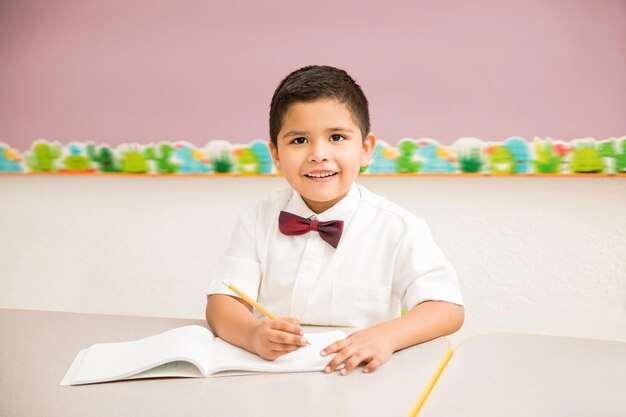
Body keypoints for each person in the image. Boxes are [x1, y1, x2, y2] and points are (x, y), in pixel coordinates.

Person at [206, 65, 464, 375]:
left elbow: (447, 308)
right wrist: (252, 334)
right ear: (275, 154)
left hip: (359, 377)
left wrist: (387, 336)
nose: (318, 154)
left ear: (366, 149)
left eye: (337, 137)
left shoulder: (399, 227)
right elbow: (223, 302)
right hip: (267, 376)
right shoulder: (257, 218)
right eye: (299, 140)